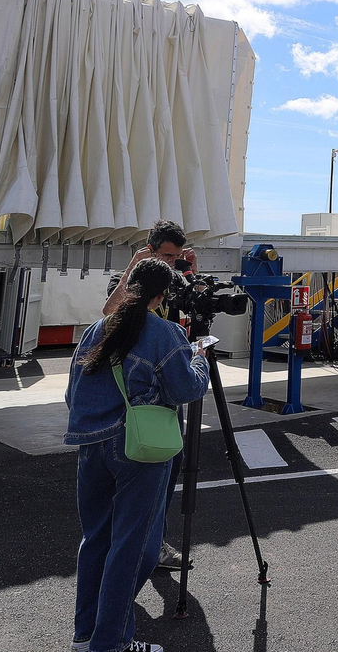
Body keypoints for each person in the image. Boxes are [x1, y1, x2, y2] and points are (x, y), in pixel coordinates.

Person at [66, 258, 210, 652]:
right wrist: (199, 358)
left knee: (96, 540)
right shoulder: (164, 333)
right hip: (139, 448)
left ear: (129, 286)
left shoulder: (98, 329)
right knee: (132, 547)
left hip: (91, 444)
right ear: (162, 297)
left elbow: (71, 392)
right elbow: (186, 389)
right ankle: (110, 644)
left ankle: (86, 637)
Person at [102, 219, 198, 572]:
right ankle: (129, 549)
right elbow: (109, 314)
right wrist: (133, 267)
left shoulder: (176, 281)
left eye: (177, 258)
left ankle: (154, 544)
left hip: (167, 394)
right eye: (166, 257)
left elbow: (191, 317)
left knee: (166, 472)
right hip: (132, 398)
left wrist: (190, 276)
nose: (172, 264)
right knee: (131, 475)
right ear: (150, 251)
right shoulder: (132, 280)